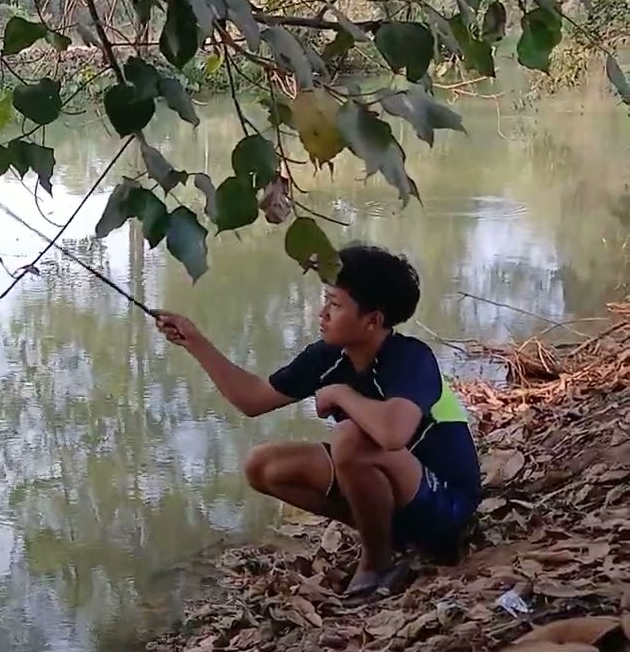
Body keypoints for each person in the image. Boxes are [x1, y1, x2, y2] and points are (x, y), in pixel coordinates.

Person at [154, 244, 480, 599]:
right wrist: (195, 341)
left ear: (372, 320)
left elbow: (392, 434)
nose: (321, 313)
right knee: (264, 466)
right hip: (397, 490)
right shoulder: (328, 356)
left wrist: (341, 394)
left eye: (335, 305)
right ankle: (389, 536)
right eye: (325, 300)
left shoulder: (411, 358)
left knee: (349, 439)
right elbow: (253, 399)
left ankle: (377, 562)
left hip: (446, 504)